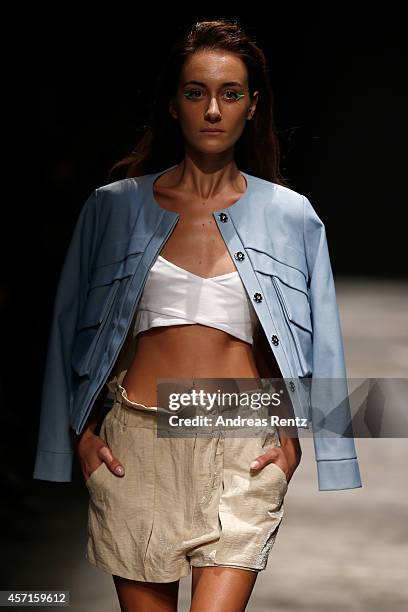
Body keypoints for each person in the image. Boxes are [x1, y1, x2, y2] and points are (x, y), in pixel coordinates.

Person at [34, 18, 362, 612]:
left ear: (252, 107)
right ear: (173, 104)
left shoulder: (291, 216)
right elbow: (66, 330)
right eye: (196, 92)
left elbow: (324, 338)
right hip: (136, 448)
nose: (213, 109)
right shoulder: (113, 209)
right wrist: (75, 439)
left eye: (230, 93)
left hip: (242, 444)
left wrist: (301, 442)